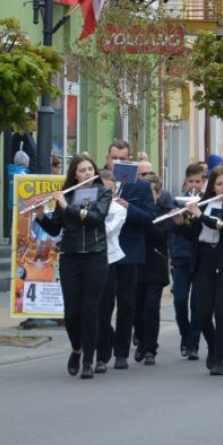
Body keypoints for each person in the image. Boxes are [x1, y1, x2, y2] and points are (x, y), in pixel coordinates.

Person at [35, 153, 110, 379]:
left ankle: (88, 360)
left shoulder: (103, 192)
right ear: (74, 175)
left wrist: (67, 206)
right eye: (82, 170)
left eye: (90, 169)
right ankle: (76, 349)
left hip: (96, 255)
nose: (88, 173)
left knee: (90, 309)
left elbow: (97, 218)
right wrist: (40, 217)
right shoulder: (66, 195)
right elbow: (56, 229)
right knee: (71, 312)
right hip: (71, 256)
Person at [96, 140, 155, 371]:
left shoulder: (140, 187)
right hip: (102, 252)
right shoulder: (98, 183)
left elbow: (149, 218)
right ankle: (102, 352)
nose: (118, 162)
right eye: (114, 158)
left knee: (127, 305)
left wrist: (127, 208)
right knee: (103, 304)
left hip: (129, 253)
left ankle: (121, 353)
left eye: (123, 158)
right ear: (108, 158)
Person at [181, 165, 223, 375]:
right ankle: (215, 346)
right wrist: (180, 222)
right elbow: (194, 235)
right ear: (212, 186)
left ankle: (218, 359)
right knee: (203, 312)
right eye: (219, 184)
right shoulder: (204, 203)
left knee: (222, 312)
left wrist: (201, 217)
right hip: (205, 258)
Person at [133, 164, 172, 365]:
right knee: (136, 309)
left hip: (155, 264)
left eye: (151, 194)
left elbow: (162, 235)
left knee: (151, 308)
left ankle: (150, 348)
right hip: (137, 264)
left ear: (158, 194)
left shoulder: (164, 211)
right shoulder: (136, 210)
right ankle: (140, 341)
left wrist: (145, 220)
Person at [169, 162, 205, 361]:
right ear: (185, 181)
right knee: (180, 299)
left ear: (203, 181)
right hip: (181, 257)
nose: (194, 185)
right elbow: (172, 231)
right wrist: (178, 222)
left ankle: (193, 344)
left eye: (197, 181)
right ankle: (185, 335)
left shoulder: (206, 202)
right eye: (190, 181)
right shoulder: (178, 201)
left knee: (197, 304)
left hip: (199, 257)